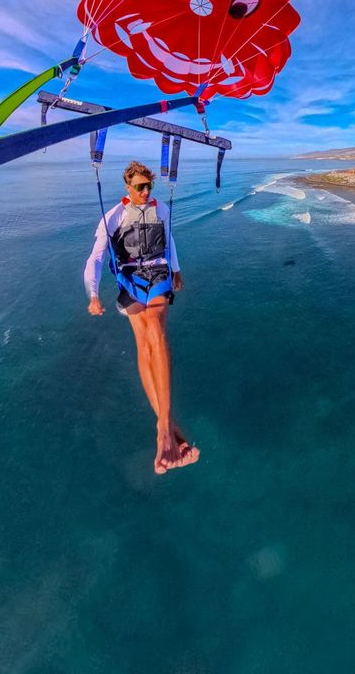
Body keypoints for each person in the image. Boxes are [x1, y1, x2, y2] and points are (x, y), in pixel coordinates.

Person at [84, 160, 199, 475]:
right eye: (140, 187)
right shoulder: (113, 216)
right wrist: (92, 294)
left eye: (149, 186)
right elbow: (95, 257)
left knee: (156, 333)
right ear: (127, 187)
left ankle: (163, 426)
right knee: (145, 345)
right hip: (130, 279)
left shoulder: (160, 208)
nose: (146, 192)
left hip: (158, 273)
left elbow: (169, 238)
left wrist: (176, 269)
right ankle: (166, 425)